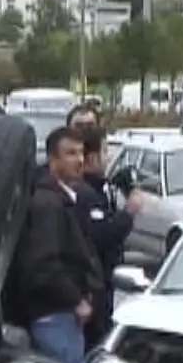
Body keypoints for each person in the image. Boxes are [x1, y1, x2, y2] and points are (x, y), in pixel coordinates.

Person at [9, 126, 102, 363]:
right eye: (70, 154)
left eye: (81, 153)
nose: (79, 160)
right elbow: (43, 264)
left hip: (62, 318)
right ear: (52, 159)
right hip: (55, 319)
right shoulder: (48, 203)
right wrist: (76, 301)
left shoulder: (62, 199)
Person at [70, 124, 143, 348]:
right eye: (104, 151)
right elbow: (101, 235)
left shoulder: (100, 189)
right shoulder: (84, 193)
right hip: (91, 289)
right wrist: (128, 213)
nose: (108, 157)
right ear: (91, 158)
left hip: (103, 286)